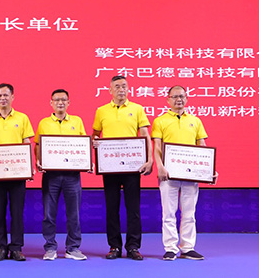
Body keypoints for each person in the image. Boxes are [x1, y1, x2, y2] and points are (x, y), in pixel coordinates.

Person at [152, 85, 217, 261]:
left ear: (186, 99)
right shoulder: (160, 121)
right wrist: (160, 167)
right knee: (168, 213)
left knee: (189, 213)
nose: (178, 100)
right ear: (168, 100)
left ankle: (187, 247)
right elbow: (157, 147)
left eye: (181, 96)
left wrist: (208, 170)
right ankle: (170, 248)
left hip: (190, 174)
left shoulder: (195, 121)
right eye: (175, 97)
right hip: (168, 174)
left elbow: (202, 146)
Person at [92, 75, 153, 260]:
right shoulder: (101, 111)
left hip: (132, 167)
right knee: (112, 208)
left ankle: (133, 247)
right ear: (110, 90)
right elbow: (95, 134)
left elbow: (145, 135)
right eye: (117, 86)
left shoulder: (137, 109)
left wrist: (149, 159)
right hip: (110, 167)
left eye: (124, 86)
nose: (121, 89)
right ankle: (115, 247)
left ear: (128, 89)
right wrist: (95, 142)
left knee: (133, 208)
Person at [0, 83, 35, 262]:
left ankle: (17, 247)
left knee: (17, 212)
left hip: (17, 173)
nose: (3, 98)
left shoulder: (22, 118)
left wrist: (29, 166)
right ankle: (1, 247)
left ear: (12, 97)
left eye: (6, 95)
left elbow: (27, 143)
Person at [35, 89, 88, 261]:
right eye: (57, 100)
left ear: (68, 102)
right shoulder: (44, 123)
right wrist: (38, 160)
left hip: (72, 176)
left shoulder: (77, 121)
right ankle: (50, 247)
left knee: (74, 214)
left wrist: (87, 161)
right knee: (49, 214)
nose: (60, 103)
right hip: (51, 175)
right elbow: (38, 145)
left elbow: (83, 145)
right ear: (51, 103)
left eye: (63, 100)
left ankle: (73, 248)